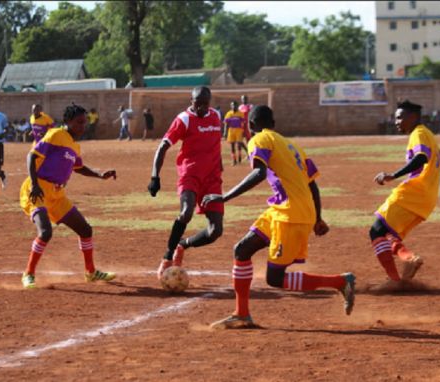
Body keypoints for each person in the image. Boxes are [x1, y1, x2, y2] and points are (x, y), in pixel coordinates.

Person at [202, 105, 356, 329]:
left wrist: (224, 197)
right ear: (274, 124)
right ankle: (241, 314)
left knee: (275, 278)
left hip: (290, 214)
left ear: (250, 126)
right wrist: (318, 217)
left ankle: (341, 282)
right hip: (282, 210)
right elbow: (312, 184)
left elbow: (259, 172)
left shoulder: (259, 139)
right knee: (242, 250)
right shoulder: (293, 145)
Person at [19, 103, 117, 288]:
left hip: (57, 194)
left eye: (85, 122)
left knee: (85, 230)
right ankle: (29, 273)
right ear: (68, 121)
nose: (83, 126)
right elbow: (32, 156)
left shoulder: (74, 145)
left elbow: (78, 167)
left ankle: (91, 272)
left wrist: (99, 174)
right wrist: (34, 184)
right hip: (37, 190)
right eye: (79, 122)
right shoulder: (56, 134)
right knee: (45, 232)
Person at [371, 100, 440, 290]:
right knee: (388, 235)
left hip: (411, 195)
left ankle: (394, 280)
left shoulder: (419, 134)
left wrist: (393, 175)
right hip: (425, 200)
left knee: (376, 231)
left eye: (400, 117)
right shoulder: (428, 135)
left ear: (413, 117)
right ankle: (410, 259)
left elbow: (421, 158)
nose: (396, 122)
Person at [148, 86, 224, 279]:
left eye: (205, 104)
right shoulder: (184, 119)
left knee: (215, 231)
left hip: (212, 180)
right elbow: (163, 146)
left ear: (210, 102)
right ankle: (167, 257)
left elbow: (215, 145)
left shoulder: (216, 116)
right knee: (185, 213)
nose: (201, 108)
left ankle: (182, 245)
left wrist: (219, 167)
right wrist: (155, 177)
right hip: (189, 174)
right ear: (191, 101)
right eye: (198, 104)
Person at [223, 101, 246, 166]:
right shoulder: (229, 113)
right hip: (231, 130)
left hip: (238, 130)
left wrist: (243, 131)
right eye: (232, 105)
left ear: (237, 106)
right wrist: (225, 132)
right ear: (231, 106)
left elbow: (243, 123)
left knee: (239, 144)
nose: (234, 106)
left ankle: (239, 157)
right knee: (232, 146)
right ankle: (234, 160)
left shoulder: (240, 113)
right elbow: (226, 124)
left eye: (235, 105)